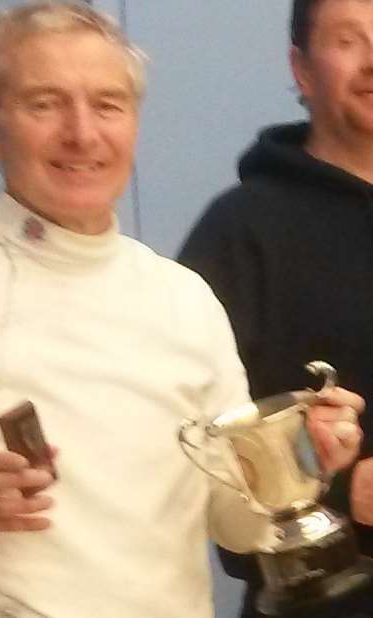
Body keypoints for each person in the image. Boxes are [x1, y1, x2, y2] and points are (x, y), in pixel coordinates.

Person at [0, 3, 363, 618]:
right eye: (45, 104)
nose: (82, 134)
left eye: (107, 105)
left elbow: (236, 523)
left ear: (133, 122)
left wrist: (301, 464)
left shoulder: (184, 298)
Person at [178, 0, 373, 616]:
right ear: (302, 68)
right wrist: (339, 486)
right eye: (348, 40)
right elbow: (195, 448)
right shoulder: (239, 232)